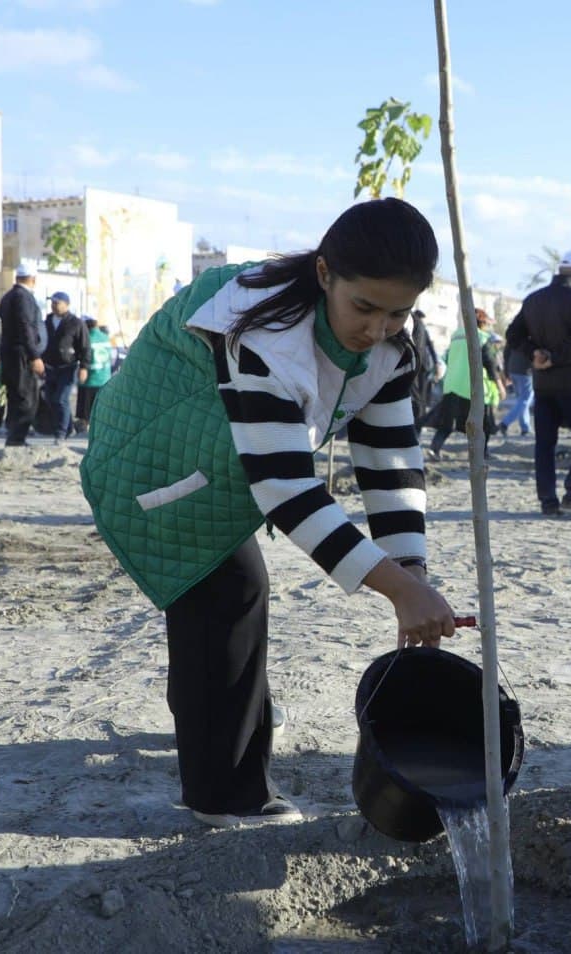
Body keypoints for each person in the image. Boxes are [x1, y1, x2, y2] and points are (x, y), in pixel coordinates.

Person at [80, 198, 457, 828]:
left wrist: (412, 574)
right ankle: (224, 797)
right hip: (151, 460)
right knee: (225, 589)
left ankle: (221, 712)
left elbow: (390, 463)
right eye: (363, 307)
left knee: (225, 600)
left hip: (223, 465)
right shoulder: (262, 330)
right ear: (325, 274)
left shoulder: (392, 347)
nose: (377, 328)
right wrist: (396, 591)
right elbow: (287, 488)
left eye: (399, 312)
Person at [504, 250, 571, 518]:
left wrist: (534, 353)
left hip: (544, 385)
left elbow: (512, 334)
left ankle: (548, 501)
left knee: (544, 443)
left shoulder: (534, 298)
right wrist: (553, 358)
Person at [427, 307, 505, 460]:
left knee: (447, 422)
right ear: (482, 323)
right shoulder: (483, 338)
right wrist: (500, 385)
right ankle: (482, 453)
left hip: (452, 385)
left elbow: (446, 357)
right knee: (484, 423)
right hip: (474, 387)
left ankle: (434, 449)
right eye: (487, 324)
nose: (488, 327)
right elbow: (490, 364)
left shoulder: (456, 335)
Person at [0, 264, 46, 447]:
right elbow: (25, 326)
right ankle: (17, 437)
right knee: (26, 397)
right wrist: (34, 355)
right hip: (21, 355)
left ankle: (15, 436)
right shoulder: (23, 298)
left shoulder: (8, 297)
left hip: (10, 353)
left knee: (16, 395)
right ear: (33, 279)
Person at [41, 292, 90, 442]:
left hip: (68, 367)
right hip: (49, 367)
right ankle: (69, 428)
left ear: (66, 304)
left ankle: (60, 433)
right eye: (52, 303)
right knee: (50, 398)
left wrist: (84, 367)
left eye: (57, 303)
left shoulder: (75, 323)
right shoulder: (47, 321)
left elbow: (85, 346)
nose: (54, 306)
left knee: (61, 399)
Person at [75, 317, 113, 429]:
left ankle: (85, 427)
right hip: (105, 379)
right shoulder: (106, 338)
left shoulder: (87, 339)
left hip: (89, 380)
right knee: (101, 409)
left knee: (86, 412)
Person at [407, 308, 440, 437]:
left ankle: (416, 423)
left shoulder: (414, 326)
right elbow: (431, 347)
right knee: (422, 396)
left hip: (415, 364)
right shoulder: (423, 328)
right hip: (423, 366)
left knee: (416, 395)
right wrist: (436, 363)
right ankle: (418, 424)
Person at [498, 328, 534, 437]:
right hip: (525, 371)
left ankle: (525, 428)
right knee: (525, 399)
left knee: (521, 400)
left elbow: (506, 353)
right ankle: (505, 423)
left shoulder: (514, 335)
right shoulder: (532, 335)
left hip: (513, 369)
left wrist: (506, 371)